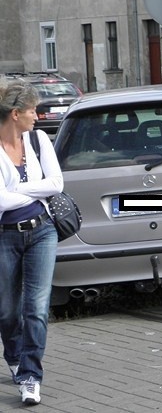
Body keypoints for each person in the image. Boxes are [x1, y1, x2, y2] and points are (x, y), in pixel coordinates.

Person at [0, 81, 63, 406]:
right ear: (15, 114)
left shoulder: (38, 140)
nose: (37, 117)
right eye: (31, 111)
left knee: (36, 309)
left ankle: (30, 376)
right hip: (4, 236)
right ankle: (14, 356)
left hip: (42, 230)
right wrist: (35, 189)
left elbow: (57, 183)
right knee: (7, 311)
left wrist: (18, 194)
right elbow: (0, 200)